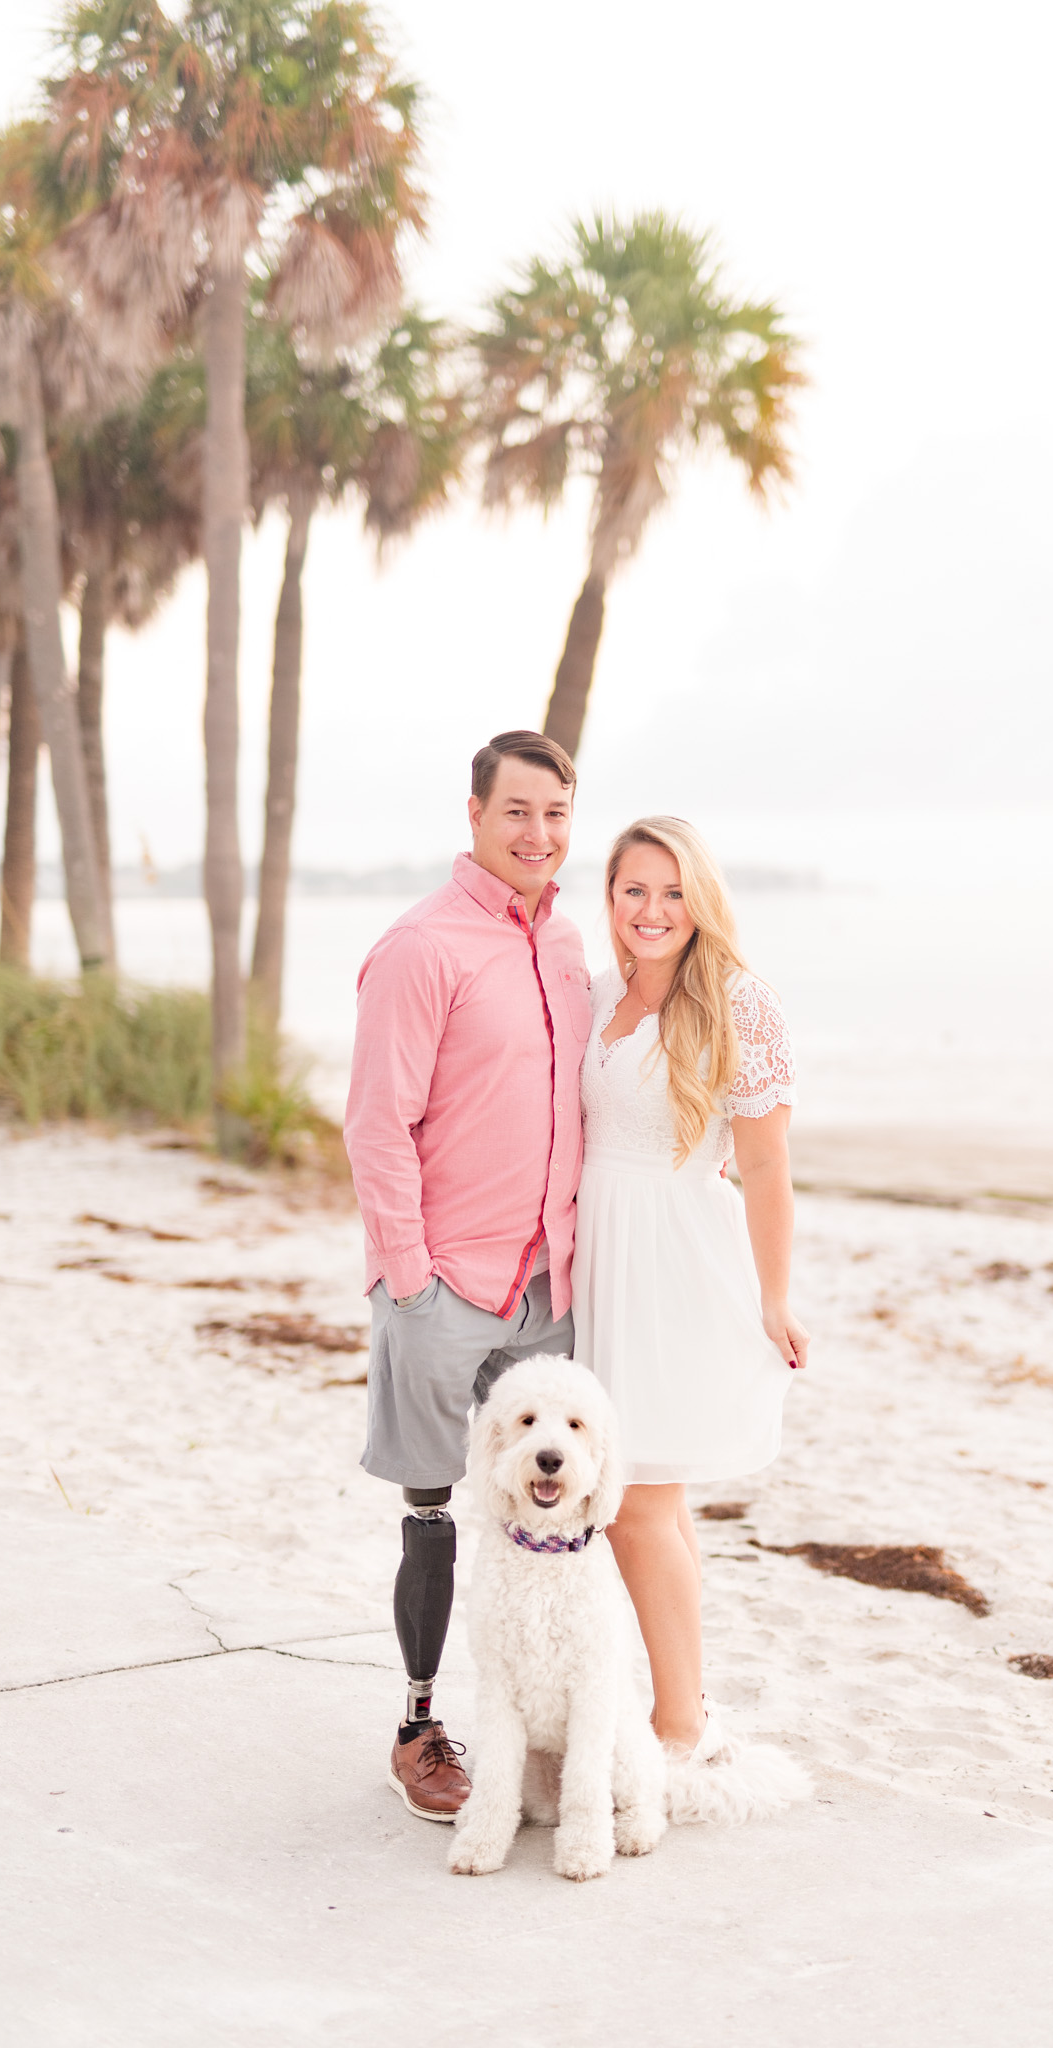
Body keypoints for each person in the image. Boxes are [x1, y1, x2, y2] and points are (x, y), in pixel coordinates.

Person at [344, 730, 591, 1823]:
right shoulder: (419, 947)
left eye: (555, 813)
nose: (537, 834)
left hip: (548, 1286)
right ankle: (418, 1723)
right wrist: (408, 1280)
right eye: (517, 812)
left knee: (543, 1519)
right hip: (444, 1282)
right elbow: (375, 1122)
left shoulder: (567, 944)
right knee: (434, 1509)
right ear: (475, 815)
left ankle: (532, 1726)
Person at [570, 815, 810, 1780]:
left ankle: (677, 1726)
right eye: (635, 891)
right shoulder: (595, 995)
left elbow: (765, 1163)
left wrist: (776, 1296)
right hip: (596, 1257)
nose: (652, 911)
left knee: (634, 1501)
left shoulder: (738, 1004)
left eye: (672, 893)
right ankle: (685, 1703)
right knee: (646, 1502)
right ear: (612, 897)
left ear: (699, 899)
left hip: (673, 1263)